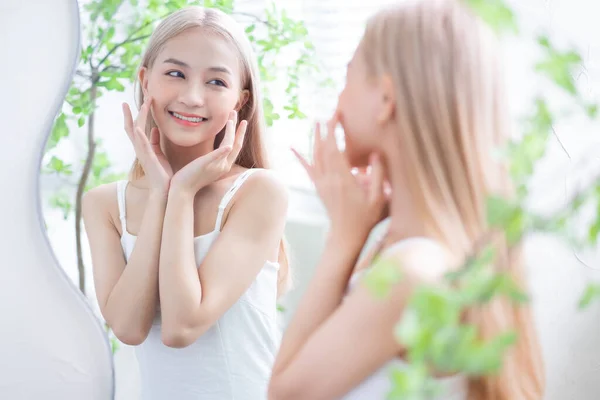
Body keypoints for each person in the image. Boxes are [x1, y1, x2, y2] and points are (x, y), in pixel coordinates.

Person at [268, 0, 545, 399]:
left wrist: (342, 241)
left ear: (385, 99)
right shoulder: (408, 251)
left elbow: (283, 395)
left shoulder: (412, 271)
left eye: (347, 77)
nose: (337, 104)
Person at [82, 6, 291, 400]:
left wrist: (179, 193)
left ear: (240, 101)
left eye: (216, 81)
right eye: (175, 74)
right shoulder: (104, 205)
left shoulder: (258, 192)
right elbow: (128, 327)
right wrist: (161, 192)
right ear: (145, 80)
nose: (193, 97)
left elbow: (182, 326)